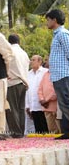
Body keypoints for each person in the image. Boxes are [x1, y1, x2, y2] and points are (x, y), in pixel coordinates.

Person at [46, 9, 69, 139]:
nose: (47, 23)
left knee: (66, 103)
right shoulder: (57, 35)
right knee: (64, 105)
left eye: (48, 20)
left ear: (54, 20)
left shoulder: (63, 34)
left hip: (64, 75)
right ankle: (67, 132)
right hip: (58, 76)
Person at [5, 34, 30, 138]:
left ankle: (16, 133)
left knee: (12, 109)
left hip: (13, 82)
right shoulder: (24, 53)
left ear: (9, 41)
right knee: (20, 108)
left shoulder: (10, 51)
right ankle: (21, 131)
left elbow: (6, 64)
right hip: (23, 83)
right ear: (19, 42)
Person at [25, 55, 49, 134]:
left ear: (40, 62)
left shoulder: (45, 72)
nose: (31, 62)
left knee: (45, 126)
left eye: (33, 60)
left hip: (43, 103)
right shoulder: (28, 74)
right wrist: (27, 105)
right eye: (31, 60)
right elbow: (27, 90)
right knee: (38, 129)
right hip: (33, 105)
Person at [38, 59, 60, 134]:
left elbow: (56, 91)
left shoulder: (58, 73)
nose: (46, 62)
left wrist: (46, 100)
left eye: (48, 60)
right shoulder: (46, 74)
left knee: (59, 127)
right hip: (46, 106)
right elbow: (40, 88)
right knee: (51, 128)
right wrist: (41, 99)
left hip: (55, 105)